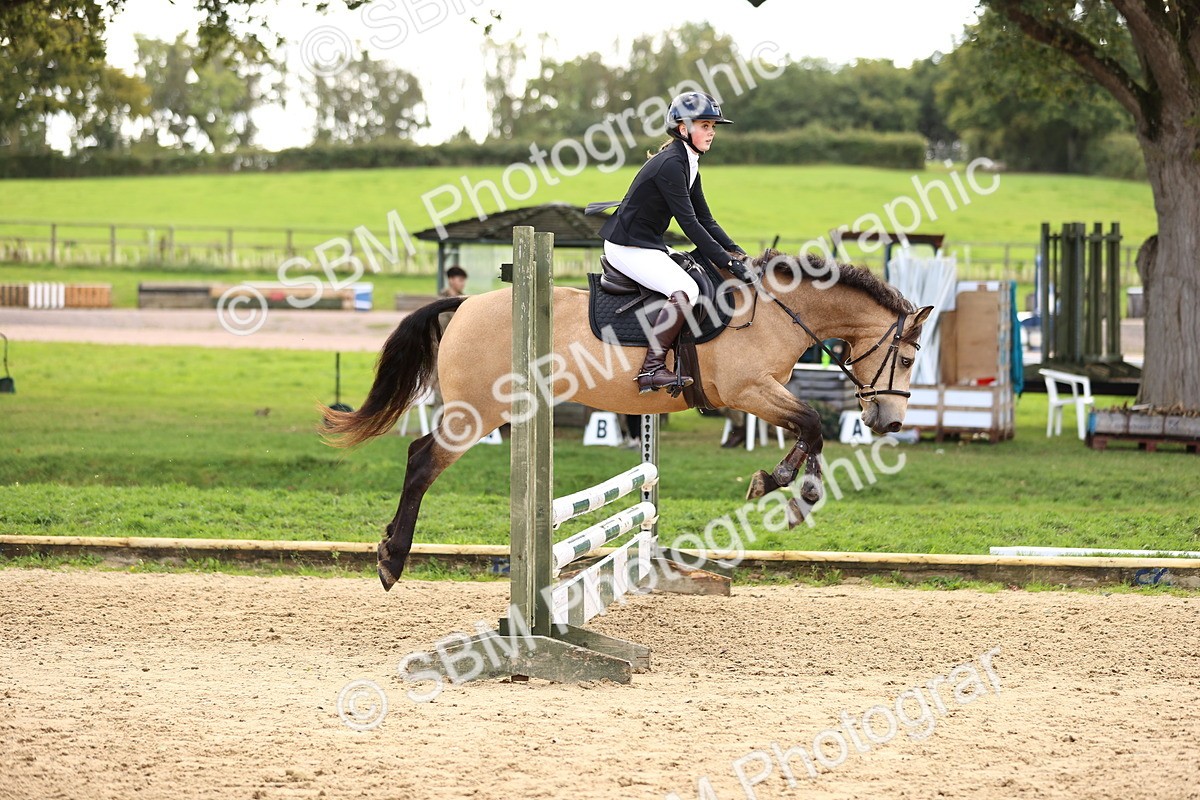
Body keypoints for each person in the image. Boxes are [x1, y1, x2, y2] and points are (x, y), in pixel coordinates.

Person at [598, 90, 756, 394]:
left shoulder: (688, 161)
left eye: (713, 126)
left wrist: (739, 254)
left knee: (697, 273)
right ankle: (651, 368)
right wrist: (728, 263)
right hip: (627, 246)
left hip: (646, 243)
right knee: (687, 289)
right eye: (704, 125)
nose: (711, 132)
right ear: (683, 128)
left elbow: (708, 220)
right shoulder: (671, 163)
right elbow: (691, 226)